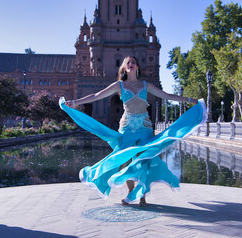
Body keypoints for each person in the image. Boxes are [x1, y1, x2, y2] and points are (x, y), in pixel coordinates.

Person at [60, 55, 206, 207]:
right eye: (128, 63)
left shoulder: (145, 85)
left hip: (145, 127)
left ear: (137, 67)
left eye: (134, 62)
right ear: (124, 68)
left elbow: (167, 95)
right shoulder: (119, 85)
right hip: (127, 128)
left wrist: (190, 100)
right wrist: (76, 102)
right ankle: (130, 193)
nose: (131, 64)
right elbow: (96, 96)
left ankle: (141, 196)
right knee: (125, 161)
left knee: (142, 161)